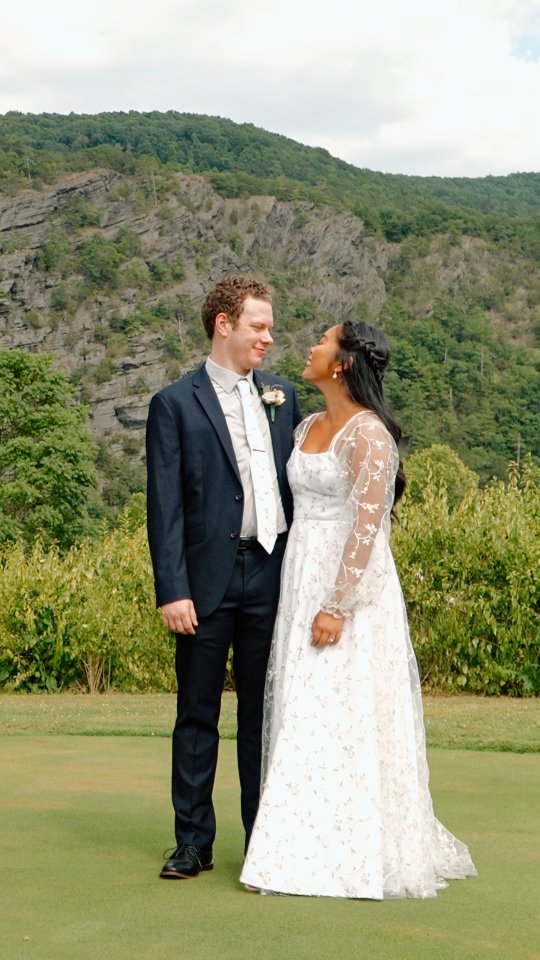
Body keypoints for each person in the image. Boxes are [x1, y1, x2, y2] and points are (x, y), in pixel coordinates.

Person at [241, 320, 477, 898]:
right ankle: (292, 844)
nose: (310, 347)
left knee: (342, 705)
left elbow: (369, 529)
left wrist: (337, 605)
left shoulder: (371, 436)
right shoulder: (303, 426)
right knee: (301, 705)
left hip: (348, 592)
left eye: (322, 342)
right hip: (298, 577)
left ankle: (353, 850)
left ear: (342, 362)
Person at [146, 276, 302, 880]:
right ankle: (193, 843)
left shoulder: (283, 397)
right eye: (259, 325)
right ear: (224, 325)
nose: (269, 336)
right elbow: (165, 507)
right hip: (204, 582)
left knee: (263, 717)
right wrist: (172, 589)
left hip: (272, 574)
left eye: (269, 326)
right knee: (197, 714)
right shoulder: (174, 404)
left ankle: (263, 841)